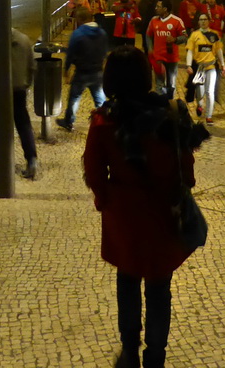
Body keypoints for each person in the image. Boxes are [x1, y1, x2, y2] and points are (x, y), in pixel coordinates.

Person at [82, 46, 206, 368]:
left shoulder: (103, 121)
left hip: (124, 215)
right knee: (159, 286)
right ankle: (155, 357)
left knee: (127, 280)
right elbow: (187, 170)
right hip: (163, 212)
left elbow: (94, 172)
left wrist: (105, 201)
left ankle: (128, 351)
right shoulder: (171, 113)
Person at [0, 20, 39, 178]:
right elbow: (32, 67)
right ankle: (31, 159)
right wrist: (26, 84)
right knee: (23, 125)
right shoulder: (24, 39)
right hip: (19, 90)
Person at [57, 8, 109, 132]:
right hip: (97, 70)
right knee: (100, 98)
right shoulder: (102, 33)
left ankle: (69, 121)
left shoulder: (78, 34)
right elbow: (105, 51)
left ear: (81, 19)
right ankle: (106, 120)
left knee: (74, 97)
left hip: (82, 71)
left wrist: (66, 69)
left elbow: (70, 53)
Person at [184, 12, 225, 124]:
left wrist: (223, 65)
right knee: (200, 93)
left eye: (205, 19)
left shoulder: (214, 35)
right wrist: (189, 65)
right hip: (199, 68)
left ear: (208, 21)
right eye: (201, 19)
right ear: (198, 21)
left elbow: (219, 51)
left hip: (211, 67)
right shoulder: (194, 35)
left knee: (210, 91)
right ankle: (199, 105)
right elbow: (190, 51)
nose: (203, 21)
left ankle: (209, 116)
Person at [147, 0, 186, 98]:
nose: (155, 8)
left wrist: (175, 39)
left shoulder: (177, 21)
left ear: (165, 9)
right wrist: (150, 49)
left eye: (158, 7)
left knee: (171, 84)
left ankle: (170, 103)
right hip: (158, 58)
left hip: (172, 58)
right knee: (159, 83)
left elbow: (185, 37)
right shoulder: (153, 20)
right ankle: (161, 105)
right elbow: (148, 35)